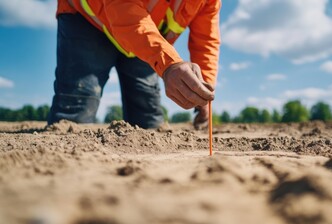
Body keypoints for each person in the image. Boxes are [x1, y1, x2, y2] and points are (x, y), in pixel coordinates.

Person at [48, 0, 221, 129]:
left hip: (147, 38)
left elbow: (206, 41)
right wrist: (168, 63)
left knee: (149, 126)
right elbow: (123, 7)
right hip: (87, 19)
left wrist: (202, 91)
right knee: (72, 120)